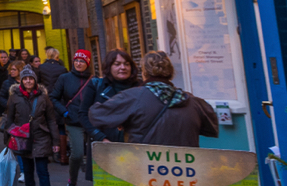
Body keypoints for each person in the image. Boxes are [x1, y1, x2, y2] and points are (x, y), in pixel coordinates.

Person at [89, 51, 219, 146]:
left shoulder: (132, 97)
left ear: (144, 72)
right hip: (185, 172)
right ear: (171, 72)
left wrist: (124, 119)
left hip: (147, 169)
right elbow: (211, 127)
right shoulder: (193, 102)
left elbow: (97, 115)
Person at [1, 66, 62, 186]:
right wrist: (8, 140)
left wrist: (56, 142)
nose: (28, 81)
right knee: (27, 170)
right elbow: (9, 119)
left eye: (31, 78)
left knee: (43, 171)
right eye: (25, 79)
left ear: (35, 80)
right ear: (21, 81)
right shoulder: (14, 97)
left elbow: (51, 119)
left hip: (41, 137)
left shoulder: (43, 97)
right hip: (22, 139)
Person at [49, 49, 96, 186]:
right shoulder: (64, 78)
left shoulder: (94, 80)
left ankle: (100, 184)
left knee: (96, 156)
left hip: (92, 122)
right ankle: (72, 182)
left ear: (87, 63)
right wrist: (64, 112)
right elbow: (53, 97)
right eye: (76, 60)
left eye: (82, 61)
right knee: (77, 154)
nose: (78, 63)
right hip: (74, 121)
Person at [81, 48, 143, 146]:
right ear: (109, 67)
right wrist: (101, 138)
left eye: (126, 64)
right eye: (117, 64)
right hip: (103, 146)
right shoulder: (96, 85)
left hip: (134, 147)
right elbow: (83, 114)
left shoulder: (140, 88)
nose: (123, 67)